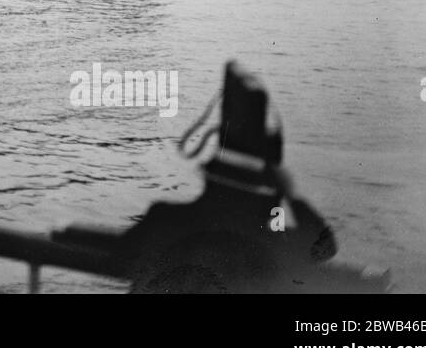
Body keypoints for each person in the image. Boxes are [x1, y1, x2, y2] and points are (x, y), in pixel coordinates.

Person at [117, 62, 338, 293]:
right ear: (268, 186)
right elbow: (326, 247)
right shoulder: (277, 244)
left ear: (209, 177)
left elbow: (120, 253)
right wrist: (292, 195)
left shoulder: (161, 219)